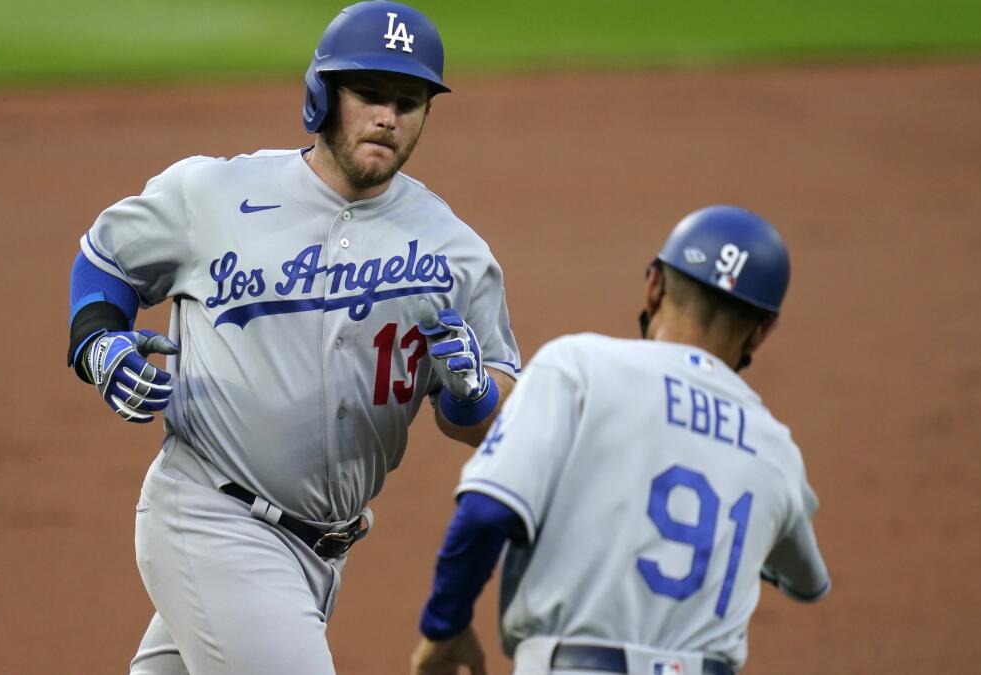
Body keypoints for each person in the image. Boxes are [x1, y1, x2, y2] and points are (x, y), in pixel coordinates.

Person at [64, 2, 520, 673]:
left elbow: (492, 418)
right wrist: (101, 347)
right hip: (211, 516)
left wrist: (473, 395)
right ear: (321, 95)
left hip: (319, 555)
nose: (387, 116)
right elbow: (105, 262)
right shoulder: (213, 193)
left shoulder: (455, 251)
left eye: (408, 100)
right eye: (368, 94)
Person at [410, 206, 830, 675]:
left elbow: (487, 512)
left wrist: (443, 627)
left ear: (655, 285)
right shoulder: (775, 448)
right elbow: (808, 581)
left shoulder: (579, 367)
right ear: (761, 332)